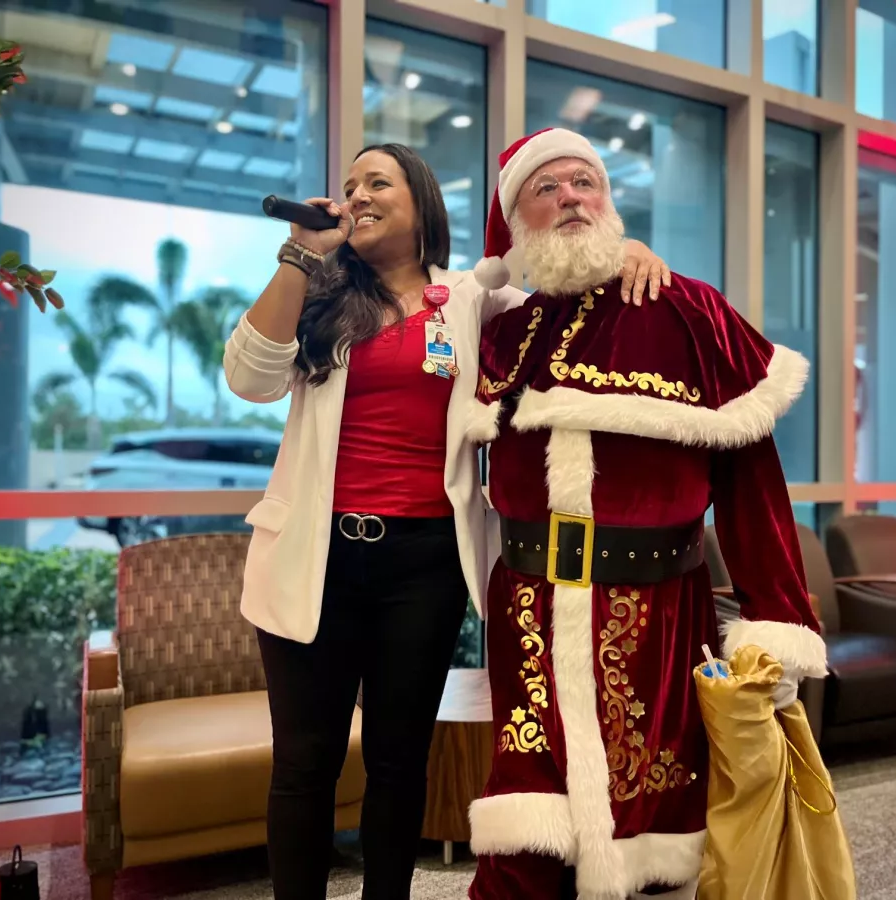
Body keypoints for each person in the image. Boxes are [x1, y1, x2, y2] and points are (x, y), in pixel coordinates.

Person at [222, 141, 670, 900]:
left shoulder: (470, 299)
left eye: (377, 182)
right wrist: (299, 257)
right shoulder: (321, 294)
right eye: (350, 185)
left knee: (400, 760)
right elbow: (248, 378)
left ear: (421, 202)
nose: (357, 195)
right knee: (304, 762)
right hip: (314, 554)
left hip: (424, 563)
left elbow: (566, 301)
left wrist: (626, 250)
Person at [462, 127, 827, 899]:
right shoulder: (502, 335)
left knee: (658, 820)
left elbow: (755, 491)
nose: (570, 197)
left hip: (658, 619)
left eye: (585, 182)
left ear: (609, 200)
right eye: (546, 188)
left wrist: (776, 623)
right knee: (528, 826)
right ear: (519, 221)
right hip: (527, 612)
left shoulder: (690, 313)